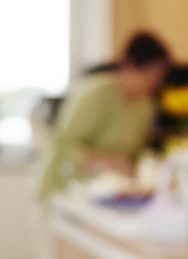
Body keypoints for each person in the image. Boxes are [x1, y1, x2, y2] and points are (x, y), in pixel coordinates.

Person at [34, 32, 171, 197]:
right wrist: (107, 160)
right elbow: (62, 144)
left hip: (108, 194)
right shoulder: (95, 94)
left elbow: (136, 155)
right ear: (131, 65)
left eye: (160, 77)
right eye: (153, 75)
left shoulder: (145, 106)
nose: (156, 83)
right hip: (64, 190)